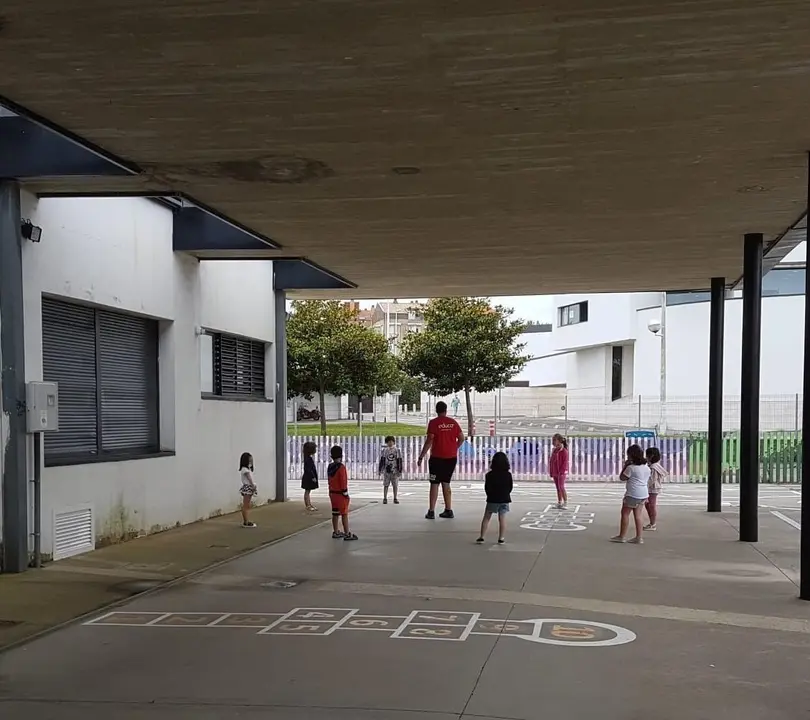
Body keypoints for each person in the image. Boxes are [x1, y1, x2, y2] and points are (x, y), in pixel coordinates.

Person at [418, 401, 465, 519]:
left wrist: (421, 456)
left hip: (436, 459)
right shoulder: (453, 423)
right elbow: (461, 438)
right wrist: (454, 447)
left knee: (434, 483)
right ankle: (448, 509)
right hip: (451, 458)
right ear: (446, 410)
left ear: (436, 410)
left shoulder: (433, 423)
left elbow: (429, 440)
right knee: (446, 483)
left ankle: (431, 511)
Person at [611, 444, 651, 544]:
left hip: (632, 494)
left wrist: (625, 465)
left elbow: (622, 477)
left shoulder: (631, 468)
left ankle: (622, 536)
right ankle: (639, 537)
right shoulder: (646, 467)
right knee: (638, 515)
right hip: (643, 494)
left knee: (625, 513)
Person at [477, 451, 513, 545]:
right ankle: (501, 538)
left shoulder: (489, 475)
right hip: (504, 499)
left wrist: (490, 496)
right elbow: (510, 487)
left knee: (486, 518)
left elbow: (487, 488)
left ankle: (482, 537)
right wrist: (505, 494)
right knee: (502, 519)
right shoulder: (508, 475)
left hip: (492, 499)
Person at [327, 445, 358, 541]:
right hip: (340, 494)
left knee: (335, 513)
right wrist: (345, 494)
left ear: (331, 456)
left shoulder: (330, 467)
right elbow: (343, 481)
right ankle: (347, 533)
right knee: (344, 513)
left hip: (332, 493)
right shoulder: (341, 467)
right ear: (341, 456)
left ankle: (336, 531)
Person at [644, 446, 668, 531]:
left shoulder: (653, 467)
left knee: (651, 506)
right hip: (652, 488)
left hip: (652, 489)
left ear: (651, 456)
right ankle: (651, 523)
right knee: (648, 505)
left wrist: (643, 486)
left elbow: (651, 480)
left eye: (647, 455)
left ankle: (653, 524)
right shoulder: (654, 465)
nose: (646, 457)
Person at [378, 435, 403, 505]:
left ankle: (395, 498)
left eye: (391, 441)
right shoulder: (384, 450)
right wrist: (380, 469)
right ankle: (385, 498)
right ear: (386, 443)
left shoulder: (397, 450)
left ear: (394, 442)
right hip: (386, 470)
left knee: (395, 485)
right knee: (386, 484)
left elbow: (399, 460)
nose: (390, 443)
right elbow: (382, 460)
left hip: (395, 470)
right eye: (388, 442)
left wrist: (400, 470)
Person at [549, 433, 569, 509]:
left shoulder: (564, 451)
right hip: (555, 472)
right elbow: (551, 461)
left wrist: (561, 472)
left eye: (555, 440)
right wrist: (551, 471)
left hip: (561, 473)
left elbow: (565, 463)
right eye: (553, 440)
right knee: (558, 488)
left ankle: (565, 502)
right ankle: (559, 502)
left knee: (561, 487)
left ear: (560, 441)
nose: (553, 442)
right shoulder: (554, 450)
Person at [238, 452, 257, 528]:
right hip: (248, 487)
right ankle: (246, 522)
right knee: (246, 505)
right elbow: (249, 479)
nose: (251, 462)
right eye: (249, 461)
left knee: (247, 505)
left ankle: (246, 520)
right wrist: (253, 486)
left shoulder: (246, 469)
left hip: (248, 487)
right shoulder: (245, 470)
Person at [301, 441, 319, 512]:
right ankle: (308, 505)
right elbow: (308, 469)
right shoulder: (308, 459)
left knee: (308, 491)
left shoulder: (307, 458)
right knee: (307, 491)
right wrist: (313, 477)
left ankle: (309, 504)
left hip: (308, 477)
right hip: (308, 478)